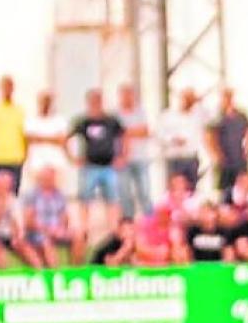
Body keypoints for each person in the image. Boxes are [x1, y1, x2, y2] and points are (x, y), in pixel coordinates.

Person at [69, 88, 126, 221]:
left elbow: (123, 137)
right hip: (89, 166)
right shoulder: (83, 121)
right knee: (85, 198)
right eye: (93, 100)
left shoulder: (111, 120)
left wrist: (122, 156)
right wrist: (72, 158)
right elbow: (66, 138)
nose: (96, 103)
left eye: (98, 100)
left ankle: (113, 229)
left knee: (112, 198)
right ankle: (84, 229)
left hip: (109, 166)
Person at [0, 169, 40, 268]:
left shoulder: (13, 200)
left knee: (25, 247)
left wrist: (17, 236)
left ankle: (40, 273)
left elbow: (17, 221)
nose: (5, 188)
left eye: (7, 184)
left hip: (8, 235)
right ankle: (3, 276)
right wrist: (1, 204)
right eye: (2, 184)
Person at [22, 165, 81, 267]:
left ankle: (74, 270)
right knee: (46, 241)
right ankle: (55, 273)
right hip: (38, 232)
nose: (50, 180)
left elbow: (64, 217)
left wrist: (60, 229)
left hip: (57, 230)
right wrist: (48, 230)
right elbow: (29, 221)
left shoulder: (59, 195)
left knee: (79, 235)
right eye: (47, 178)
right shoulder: (32, 195)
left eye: (52, 178)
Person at [115, 83, 154, 219]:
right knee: (124, 193)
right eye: (124, 95)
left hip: (141, 158)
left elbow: (145, 131)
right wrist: (131, 132)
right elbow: (116, 134)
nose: (127, 98)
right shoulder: (115, 114)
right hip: (122, 160)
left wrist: (126, 132)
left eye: (130, 94)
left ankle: (150, 220)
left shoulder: (141, 112)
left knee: (144, 191)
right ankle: (128, 221)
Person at [158, 87, 208, 192]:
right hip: (175, 158)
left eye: (191, 99)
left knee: (191, 189)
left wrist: (199, 102)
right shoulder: (168, 115)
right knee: (174, 190)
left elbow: (211, 116)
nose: (189, 102)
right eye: (186, 98)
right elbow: (159, 134)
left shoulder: (197, 115)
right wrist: (173, 139)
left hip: (191, 158)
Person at [209, 88, 248, 200]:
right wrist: (217, 155)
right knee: (224, 192)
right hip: (224, 161)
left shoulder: (241, 115)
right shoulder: (217, 116)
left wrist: (247, 152)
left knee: (241, 189)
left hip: (238, 158)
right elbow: (210, 137)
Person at [25, 90, 70, 193]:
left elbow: (62, 140)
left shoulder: (60, 120)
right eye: (43, 101)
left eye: (48, 101)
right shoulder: (31, 120)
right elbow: (30, 138)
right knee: (36, 195)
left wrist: (40, 138)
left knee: (57, 195)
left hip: (56, 163)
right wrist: (52, 138)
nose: (45, 104)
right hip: (36, 164)